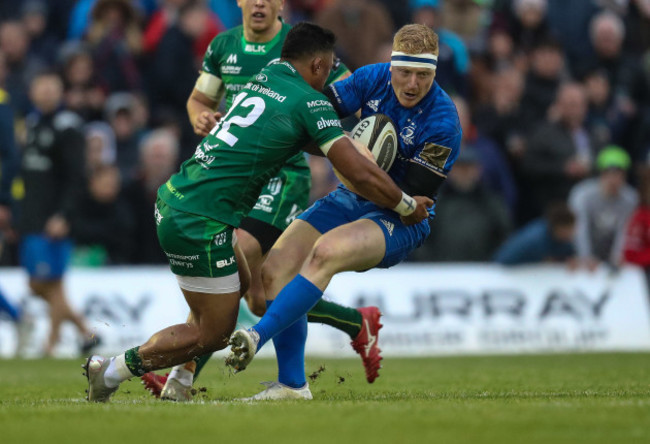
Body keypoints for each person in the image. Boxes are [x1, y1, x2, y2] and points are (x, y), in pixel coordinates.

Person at [84, 22, 431, 403]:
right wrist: (405, 204)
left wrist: (343, 145)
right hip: (201, 219)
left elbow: (304, 138)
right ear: (318, 65)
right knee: (213, 332)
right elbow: (357, 171)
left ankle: (182, 383)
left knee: (256, 284)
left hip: (181, 199)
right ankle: (112, 370)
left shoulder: (267, 75)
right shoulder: (310, 102)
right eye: (328, 69)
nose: (328, 83)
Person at [142, 0, 386, 401]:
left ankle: (181, 375)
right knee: (258, 297)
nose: (259, 2)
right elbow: (199, 101)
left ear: (280, 5)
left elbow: (348, 93)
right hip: (236, 179)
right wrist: (199, 117)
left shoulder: (299, 47)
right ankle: (356, 321)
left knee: (237, 256)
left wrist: (353, 143)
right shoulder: (223, 46)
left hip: (284, 175)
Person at [225, 23, 461, 400]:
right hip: (351, 196)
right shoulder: (371, 79)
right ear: (391, 65)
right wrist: (350, 154)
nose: (413, 84)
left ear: (434, 72)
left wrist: (360, 167)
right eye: (405, 72)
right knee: (275, 270)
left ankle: (256, 335)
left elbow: (413, 201)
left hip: (399, 219)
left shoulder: (444, 123)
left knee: (326, 252)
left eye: (423, 74)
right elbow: (313, 113)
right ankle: (291, 386)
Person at [19, 71, 98, 357]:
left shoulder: (69, 128)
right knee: (45, 284)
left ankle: (50, 345)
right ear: (32, 92)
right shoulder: (30, 124)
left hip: (54, 219)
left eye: (52, 87)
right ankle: (85, 332)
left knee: (47, 283)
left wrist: (64, 214)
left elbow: (77, 177)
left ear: (61, 92)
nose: (46, 92)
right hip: (32, 216)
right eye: (41, 87)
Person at [568, 145, 638, 268]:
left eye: (619, 174)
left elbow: (624, 229)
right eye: (610, 174)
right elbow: (580, 227)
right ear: (601, 174)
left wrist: (617, 256)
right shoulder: (582, 194)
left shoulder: (630, 198)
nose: (614, 180)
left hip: (610, 253)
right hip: (583, 251)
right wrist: (586, 257)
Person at [493, 202, 576, 265]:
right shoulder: (534, 240)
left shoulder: (564, 240)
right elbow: (504, 259)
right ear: (558, 228)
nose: (571, 233)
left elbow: (568, 256)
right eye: (568, 230)